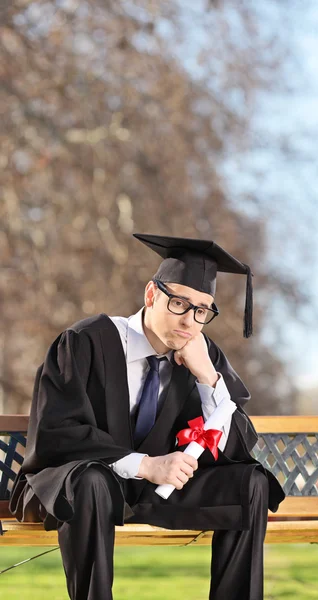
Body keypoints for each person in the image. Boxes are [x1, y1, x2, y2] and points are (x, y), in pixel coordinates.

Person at [10, 233, 285, 600]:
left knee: (252, 482)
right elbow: (56, 432)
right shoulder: (86, 341)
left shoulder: (202, 356)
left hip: (151, 495)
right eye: (179, 303)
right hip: (73, 487)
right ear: (151, 295)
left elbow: (237, 447)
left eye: (202, 310)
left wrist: (209, 379)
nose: (190, 321)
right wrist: (145, 464)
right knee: (92, 481)